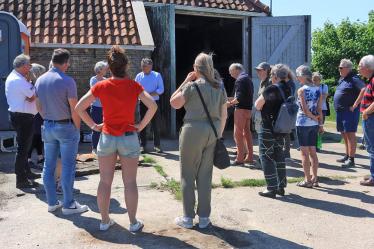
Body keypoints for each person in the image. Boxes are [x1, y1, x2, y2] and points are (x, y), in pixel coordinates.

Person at [75, 45, 157, 232]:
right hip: (128, 137)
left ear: (109, 68)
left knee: (105, 181)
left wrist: (94, 126)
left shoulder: (100, 85)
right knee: (130, 182)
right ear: (126, 66)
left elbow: (79, 107)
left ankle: (104, 221)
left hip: (107, 136)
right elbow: (152, 106)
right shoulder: (134, 85)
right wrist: (141, 126)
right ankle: (134, 223)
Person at [170, 53, 227, 229]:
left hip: (192, 130)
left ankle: (188, 217)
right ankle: (204, 217)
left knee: (187, 173)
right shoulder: (219, 87)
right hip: (213, 131)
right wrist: (218, 134)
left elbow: (174, 102)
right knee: (205, 175)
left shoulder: (192, 86)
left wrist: (186, 81)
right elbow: (224, 114)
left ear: (196, 68)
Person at [35, 48, 88, 214]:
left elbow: (38, 106)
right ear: (66, 63)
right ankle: (69, 204)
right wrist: (77, 129)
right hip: (66, 126)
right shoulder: (67, 81)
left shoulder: (40, 80)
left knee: (48, 166)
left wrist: (48, 118)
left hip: (48, 125)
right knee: (67, 166)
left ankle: (52, 203)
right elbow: (75, 108)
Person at [255, 64, 291, 198]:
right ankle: (281, 186)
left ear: (275, 76)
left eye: (271, 75)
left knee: (266, 156)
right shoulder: (288, 88)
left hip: (268, 126)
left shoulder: (271, 89)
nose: (270, 77)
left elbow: (258, 105)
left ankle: (271, 188)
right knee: (279, 155)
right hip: (281, 128)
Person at [5, 54, 41, 189]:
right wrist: (33, 82)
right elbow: (33, 95)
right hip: (23, 117)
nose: (30, 68)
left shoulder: (18, 78)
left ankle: (27, 173)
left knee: (24, 148)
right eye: (29, 65)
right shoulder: (18, 80)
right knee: (22, 149)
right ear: (23, 66)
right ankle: (21, 179)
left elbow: (31, 96)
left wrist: (31, 89)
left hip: (21, 116)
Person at [295, 65, 324, 188]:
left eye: (298, 76)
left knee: (304, 153)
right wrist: (320, 123)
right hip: (314, 125)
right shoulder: (318, 89)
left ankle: (307, 180)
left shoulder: (301, 90)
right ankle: (315, 179)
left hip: (303, 123)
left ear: (303, 76)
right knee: (313, 151)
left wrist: (313, 117)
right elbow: (319, 109)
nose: (297, 78)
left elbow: (305, 111)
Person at [333, 59, 366, 168]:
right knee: (344, 134)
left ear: (348, 68)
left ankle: (351, 159)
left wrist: (355, 104)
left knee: (350, 134)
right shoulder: (343, 79)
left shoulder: (354, 79)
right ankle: (347, 155)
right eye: (339, 67)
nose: (339, 69)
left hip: (349, 112)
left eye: (341, 67)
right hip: (341, 111)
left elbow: (364, 89)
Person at [135, 58, 164, 153]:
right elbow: (134, 89)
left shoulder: (157, 75)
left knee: (156, 124)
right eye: (142, 66)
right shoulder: (139, 76)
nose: (143, 68)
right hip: (142, 103)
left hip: (154, 102)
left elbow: (161, 89)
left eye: (145, 66)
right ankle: (142, 145)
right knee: (142, 124)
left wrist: (149, 95)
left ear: (150, 66)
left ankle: (157, 145)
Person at [228, 63, 254, 165]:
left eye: (231, 72)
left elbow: (239, 97)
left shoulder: (240, 80)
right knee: (247, 133)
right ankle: (250, 156)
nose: (230, 74)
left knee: (237, 134)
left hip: (241, 110)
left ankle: (239, 158)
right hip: (248, 110)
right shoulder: (248, 78)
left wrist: (229, 103)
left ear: (236, 69)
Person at [358, 55, 374, 186]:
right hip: (369, 118)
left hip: (371, 118)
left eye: (360, 66)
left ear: (368, 68)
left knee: (372, 148)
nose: (358, 68)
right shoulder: (370, 80)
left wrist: (366, 112)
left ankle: (373, 177)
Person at [27, 64, 47, 170]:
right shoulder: (30, 84)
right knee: (33, 135)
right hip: (33, 112)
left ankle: (40, 157)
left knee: (39, 135)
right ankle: (28, 159)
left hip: (39, 112)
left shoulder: (39, 83)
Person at [89, 61, 108, 154]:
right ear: (100, 70)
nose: (106, 70)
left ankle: (103, 147)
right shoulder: (94, 79)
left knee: (105, 128)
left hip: (105, 108)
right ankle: (94, 148)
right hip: (96, 108)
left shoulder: (106, 79)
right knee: (96, 128)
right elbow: (95, 93)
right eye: (105, 69)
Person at [312, 72, 329, 152]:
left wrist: (316, 99)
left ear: (320, 80)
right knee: (312, 127)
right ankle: (310, 145)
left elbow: (324, 96)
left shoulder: (324, 86)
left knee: (320, 127)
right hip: (312, 109)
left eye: (316, 80)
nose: (315, 81)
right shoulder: (310, 86)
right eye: (313, 80)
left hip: (322, 108)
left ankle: (318, 145)